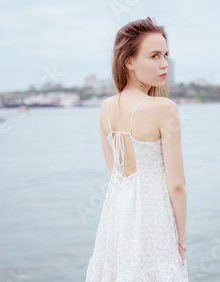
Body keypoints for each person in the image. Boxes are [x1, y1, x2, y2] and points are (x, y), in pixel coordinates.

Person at [85, 17, 188, 281]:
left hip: (117, 220)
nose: (164, 63)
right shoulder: (164, 108)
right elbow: (177, 185)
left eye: (165, 55)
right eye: (154, 56)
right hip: (154, 218)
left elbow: (115, 174)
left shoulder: (106, 108)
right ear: (128, 61)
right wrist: (182, 238)